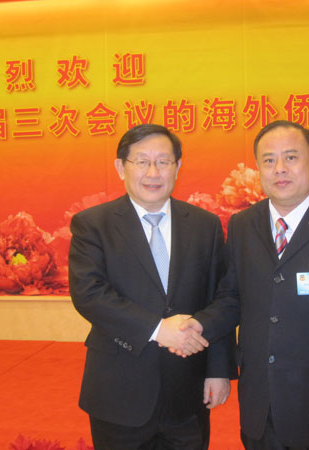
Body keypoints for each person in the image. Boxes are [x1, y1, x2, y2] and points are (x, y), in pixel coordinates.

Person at [182, 120, 309, 449]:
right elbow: (231, 297)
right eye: (268, 160)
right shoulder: (243, 224)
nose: (279, 168)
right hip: (259, 397)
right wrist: (199, 324)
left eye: (291, 157)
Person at [69, 124, 237, 450]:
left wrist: (218, 371)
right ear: (121, 167)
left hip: (188, 390)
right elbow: (90, 294)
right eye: (142, 161)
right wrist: (158, 329)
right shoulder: (93, 224)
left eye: (163, 162)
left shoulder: (205, 225)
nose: (153, 172)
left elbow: (219, 299)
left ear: (178, 166)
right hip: (119, 390)